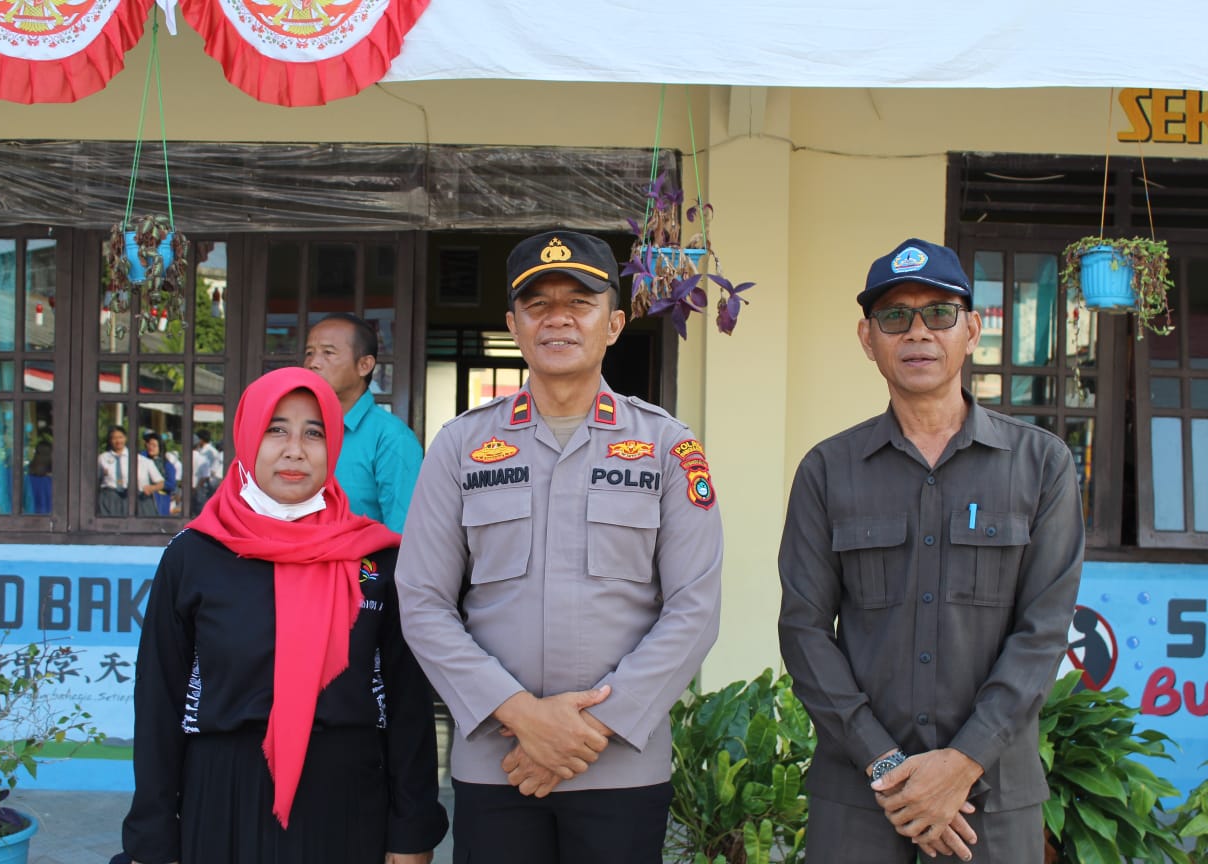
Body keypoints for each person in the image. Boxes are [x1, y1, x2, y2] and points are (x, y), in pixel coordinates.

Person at [396, 230, 723, 864]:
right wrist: (523, 717)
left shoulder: (666, 446)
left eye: (580, 301)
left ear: (615, 323)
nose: (558, 318)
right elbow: (423, 601)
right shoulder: (460, 446)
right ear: (514, 325)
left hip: (621, 765)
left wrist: (582, 733)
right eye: (538, 303)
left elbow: (695, 607)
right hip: (500, 762)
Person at [777, 238, 1085, 863]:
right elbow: (804, 630)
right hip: (861, 798)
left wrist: (963, 761)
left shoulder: (1040, 463)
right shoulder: (828, 470)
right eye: (895, 316)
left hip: (991, 801)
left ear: (972, 330)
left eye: (939, 313)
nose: (917, 332)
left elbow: (1043, 631)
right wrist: (887, 765)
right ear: (869, 339)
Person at [119, 367, 447, 864]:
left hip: (348, 799)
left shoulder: (376, 559)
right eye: (276, 429)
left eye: (314, 432)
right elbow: (160, 699)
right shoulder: (194, 555)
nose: (295, 449)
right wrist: (154, 835)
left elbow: (407, 704)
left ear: (333, 444)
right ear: (248, 436)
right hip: (223, 794)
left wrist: (411, 830)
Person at [304, 312, 423, 531]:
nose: (313, 363)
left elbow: (403, 536)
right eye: (309, 353)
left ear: (365, 365)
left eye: (328, 353)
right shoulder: (299, 429)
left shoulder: (391, 439)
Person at [96, 425, 165, 516]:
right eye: (114, 438)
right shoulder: (102, 458)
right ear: (110, 440)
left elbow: (160, 482)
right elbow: (96, 480)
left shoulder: (141, 460)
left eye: (120, 437)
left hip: (136, 499)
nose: (118, 441)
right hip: (110, 499)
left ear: (125, 438)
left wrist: (151, 488)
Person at [140, 432, 177, 517]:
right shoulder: (142, 460)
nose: (150, 447)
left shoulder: (166, 465)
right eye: (149, 444)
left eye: (154, 445)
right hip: (143, 500)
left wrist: (156, 487)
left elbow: (171, 484)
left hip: (160, 500)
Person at [191, 428, 224, 512]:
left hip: (204, 485)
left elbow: (212, 473)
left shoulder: (211, 452)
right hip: (203, 485)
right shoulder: (208, 452)